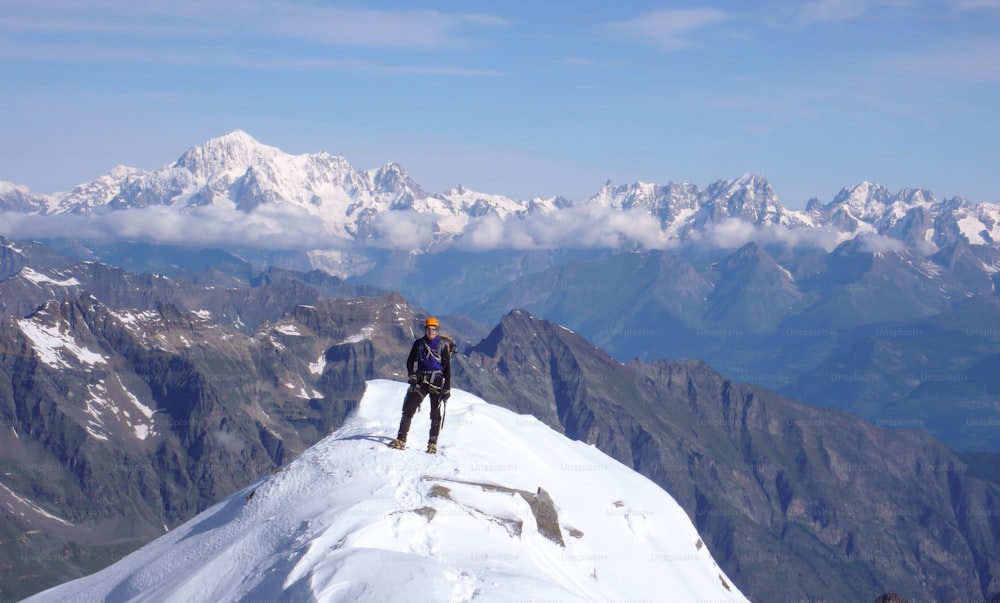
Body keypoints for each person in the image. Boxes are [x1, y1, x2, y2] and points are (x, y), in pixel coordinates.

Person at [389, 317, 451, 453]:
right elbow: (410, 361)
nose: (431, 331)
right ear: (425, 329)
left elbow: (447, 369)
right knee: (409, 408)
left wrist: (447, 388)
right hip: (422, 380)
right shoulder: (419, 344)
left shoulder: (443, 345)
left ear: (437, 330)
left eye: (433, 329)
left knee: (435, 413)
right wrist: (411, 374)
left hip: (436, 381)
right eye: (429, 329)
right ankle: (401, 439)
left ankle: (432, 443)